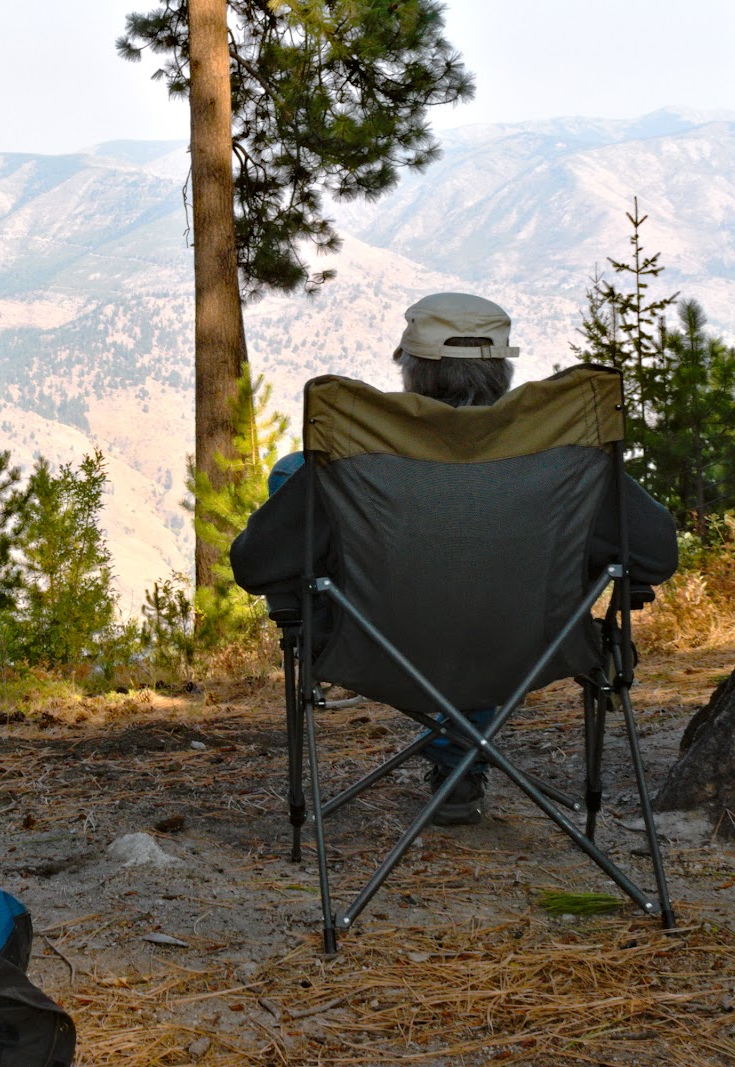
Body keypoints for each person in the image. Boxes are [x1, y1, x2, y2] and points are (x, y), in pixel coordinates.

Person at [231, 292, 678, 826]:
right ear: (504, 373)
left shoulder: (350, 467)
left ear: (412, 371)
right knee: (482, 601)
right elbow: (656, 554)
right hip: (531, 646)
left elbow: (253, 566)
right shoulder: (568, 466)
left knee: (293, 471)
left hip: (372, 646)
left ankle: (452, 750)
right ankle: (459, 762)